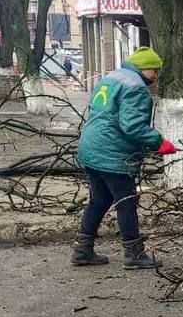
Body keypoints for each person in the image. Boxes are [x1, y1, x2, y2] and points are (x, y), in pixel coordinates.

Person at [72, 46, 176, 270]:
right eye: (154, 70)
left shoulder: (111, 78)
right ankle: (134, 254)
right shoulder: (136, 87)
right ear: (142, 67)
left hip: (91, 148)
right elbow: (132, 127)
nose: (156, 76)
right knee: (126, 202)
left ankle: (82, 249)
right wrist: (159, 142)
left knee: (99, 200)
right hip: (113, 154)